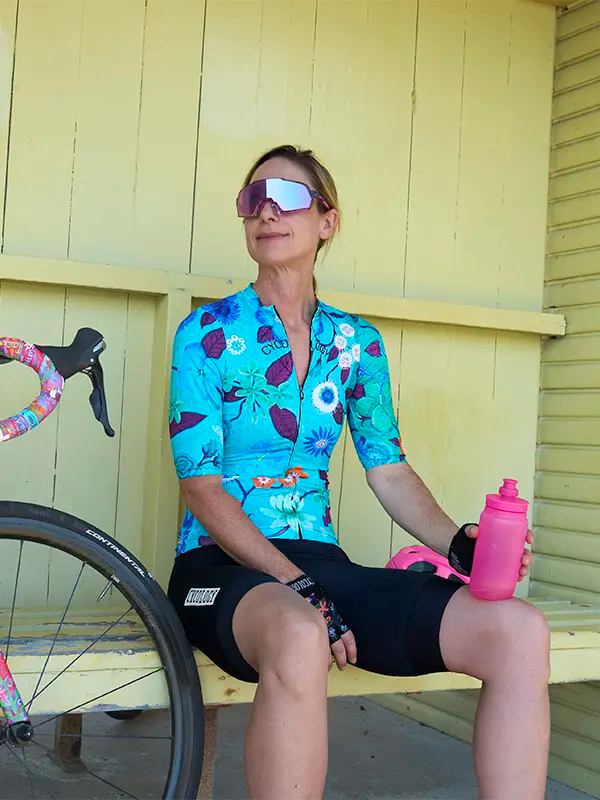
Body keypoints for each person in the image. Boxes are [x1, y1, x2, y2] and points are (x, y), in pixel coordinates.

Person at [167, 144, 550, 800]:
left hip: (320, 566)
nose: (265, 211)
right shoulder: (204, 333)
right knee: (298, 629)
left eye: (286, 197)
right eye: (252, 198)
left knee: (518, 632)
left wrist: (456, 542)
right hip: (215, 574)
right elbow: (202, 489)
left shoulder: (355, 343)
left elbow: (388, 468)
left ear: (327, 221)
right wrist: (299, 586)